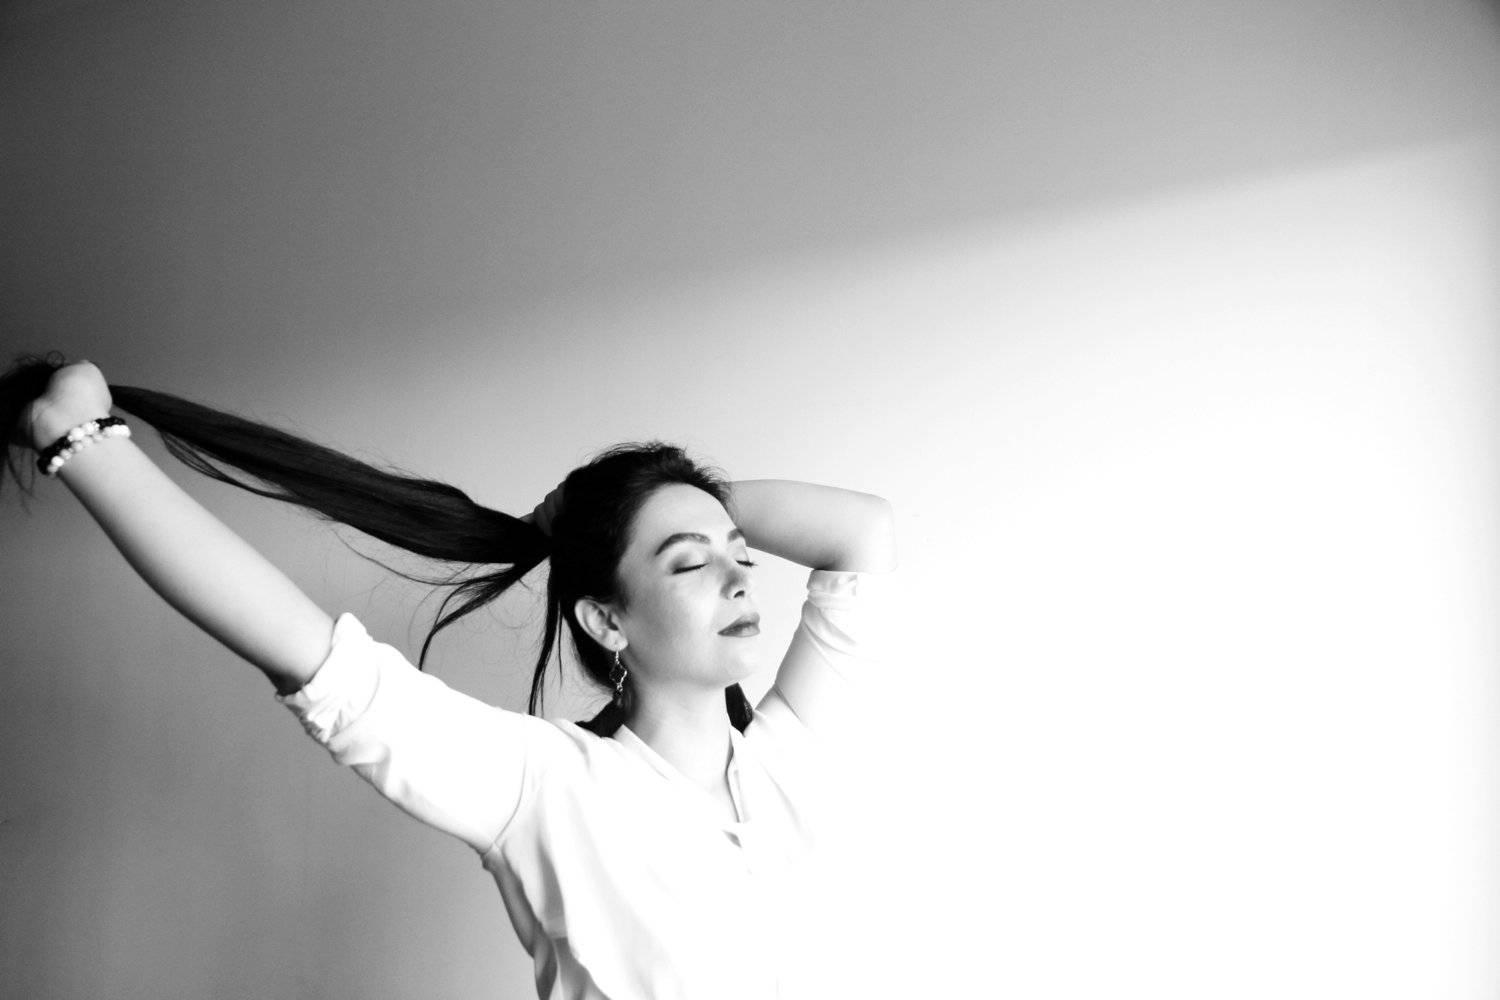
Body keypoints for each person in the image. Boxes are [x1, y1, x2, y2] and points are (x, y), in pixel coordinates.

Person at [2, 356, 898, 999]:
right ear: (605, 619)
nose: (740, 577)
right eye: (690, 562)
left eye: (740, 554)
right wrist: (83, 441)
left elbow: (862, 532)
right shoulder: (548, 788)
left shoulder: (791, 760)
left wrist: (656, 506)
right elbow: (306, 653)